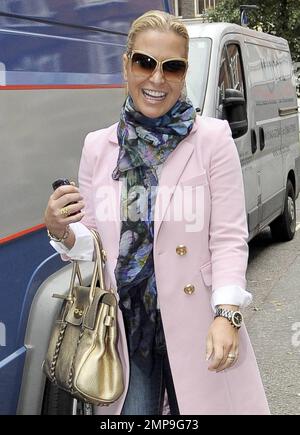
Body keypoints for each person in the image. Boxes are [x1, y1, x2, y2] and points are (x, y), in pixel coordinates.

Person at [44, 10, 270, 415]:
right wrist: (61, 229)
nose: (156, 78)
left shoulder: (212, 140)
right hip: (127, 332)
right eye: (145, 62)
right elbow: (93, 243)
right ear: (126, 64)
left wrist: (228, 314)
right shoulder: (98, 147)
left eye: (173, 67)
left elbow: (229, 237)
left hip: (199, 321)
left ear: (184, 73)